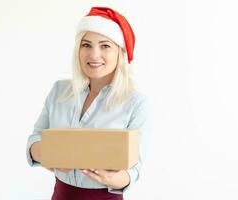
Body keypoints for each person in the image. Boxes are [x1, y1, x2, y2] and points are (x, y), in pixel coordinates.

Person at [26, 6, 150, 200]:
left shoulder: (136, 103)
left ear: (120, 52)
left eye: (105, 46)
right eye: (86, 45)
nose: (94, 55)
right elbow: (34, 141)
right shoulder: (59, 91)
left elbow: (135, 169)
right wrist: (50, 154)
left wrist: (115, 178)